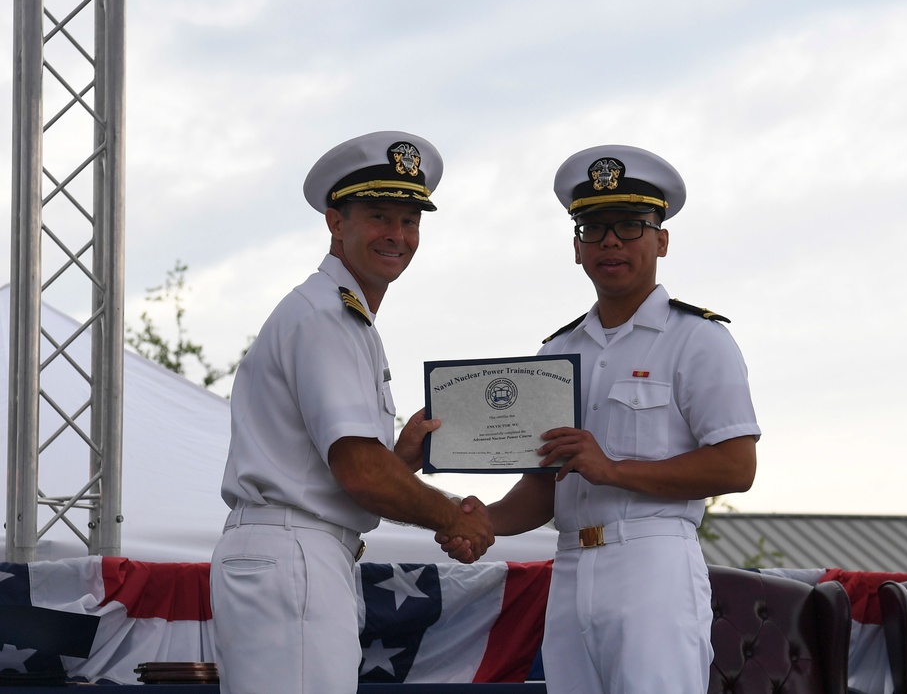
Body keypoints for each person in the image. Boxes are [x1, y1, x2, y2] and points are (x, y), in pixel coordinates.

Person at [440, 144, 760, 693]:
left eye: (630, 225)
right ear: (576, 247)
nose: (610, 241)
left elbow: (736, 467)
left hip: (652, 562)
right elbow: (542, 489)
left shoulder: (699, 340)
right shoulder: (554, 354)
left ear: (661, 239)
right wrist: (481, 522)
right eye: (593, 227)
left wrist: (612, 469)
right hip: (569, 566)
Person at [210, 131, 494, 694]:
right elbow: (359, 473)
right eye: (378, 216)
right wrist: (452, 517)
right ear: (335, 222)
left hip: (298, 552)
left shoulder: (340, 316)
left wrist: (399, 462)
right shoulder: (326, 318)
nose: (397, 234)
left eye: (410, 220)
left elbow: (342, 469)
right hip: (295, 552)